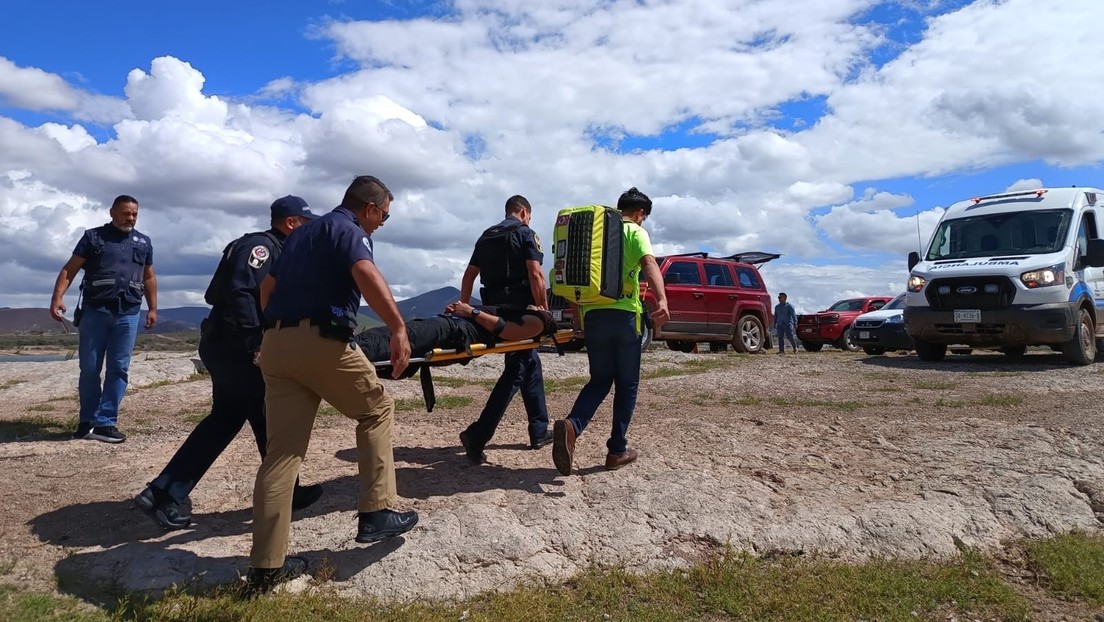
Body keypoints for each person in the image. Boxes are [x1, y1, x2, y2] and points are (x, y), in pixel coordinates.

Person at [245, 175, 417, 594]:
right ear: (370, 208)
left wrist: (283, 331)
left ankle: (266, 567)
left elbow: (267, 289)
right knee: (377, 409)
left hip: (275, 345)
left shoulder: (300, 236)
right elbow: (365, 272)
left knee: (281, 455)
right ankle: (377, 512)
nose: (382, 224)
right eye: (384, 216)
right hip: (321, 339)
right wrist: (398, 328)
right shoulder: (348, 229)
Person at [134, 196, 323, 530]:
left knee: (247, 418)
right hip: (237, 346)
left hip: (228, 344)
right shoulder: (262, 248)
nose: (309, 230)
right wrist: (255, 345)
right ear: (291, 222)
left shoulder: (274, 248)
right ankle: (165, 493)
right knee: (257, 418)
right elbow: (241, 293)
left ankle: (283, 491)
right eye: (306, 223)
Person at [551, 187, 669, 476]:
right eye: (644, 217)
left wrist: (579, 318)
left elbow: (574, 281)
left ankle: (572, 426)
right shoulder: (635, 232)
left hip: (593, 316)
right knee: (627, 384)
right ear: (640, 213)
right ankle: (617, 450)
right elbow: (649, 264)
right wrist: (663, 300)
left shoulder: (595, 237)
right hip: (625, 317)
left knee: (600, 380)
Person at [49, 195, 157, 444]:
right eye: (126, 213)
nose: (130, 218)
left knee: (119, 368)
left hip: (128, 312)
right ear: (112, 212)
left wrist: (152, 308)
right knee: (90, 368)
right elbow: (69, 269)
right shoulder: (93, 237)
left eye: (134, 214)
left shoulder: (143, 242)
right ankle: (87, 421)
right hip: (95, 311)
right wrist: (57, 299)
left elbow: (149, 276)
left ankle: (106, 423)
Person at [456, 195, 552, 465]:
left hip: (492, 312)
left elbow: (469, 275)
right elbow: (535, 274)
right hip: (519, 314)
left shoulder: (486, 236)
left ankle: (539, 429)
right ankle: (478, 434)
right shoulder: (526, 233)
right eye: (529, 216)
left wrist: (465, 307)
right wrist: (543, 311)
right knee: (517, 370)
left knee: (529, 362)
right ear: (524, 212)